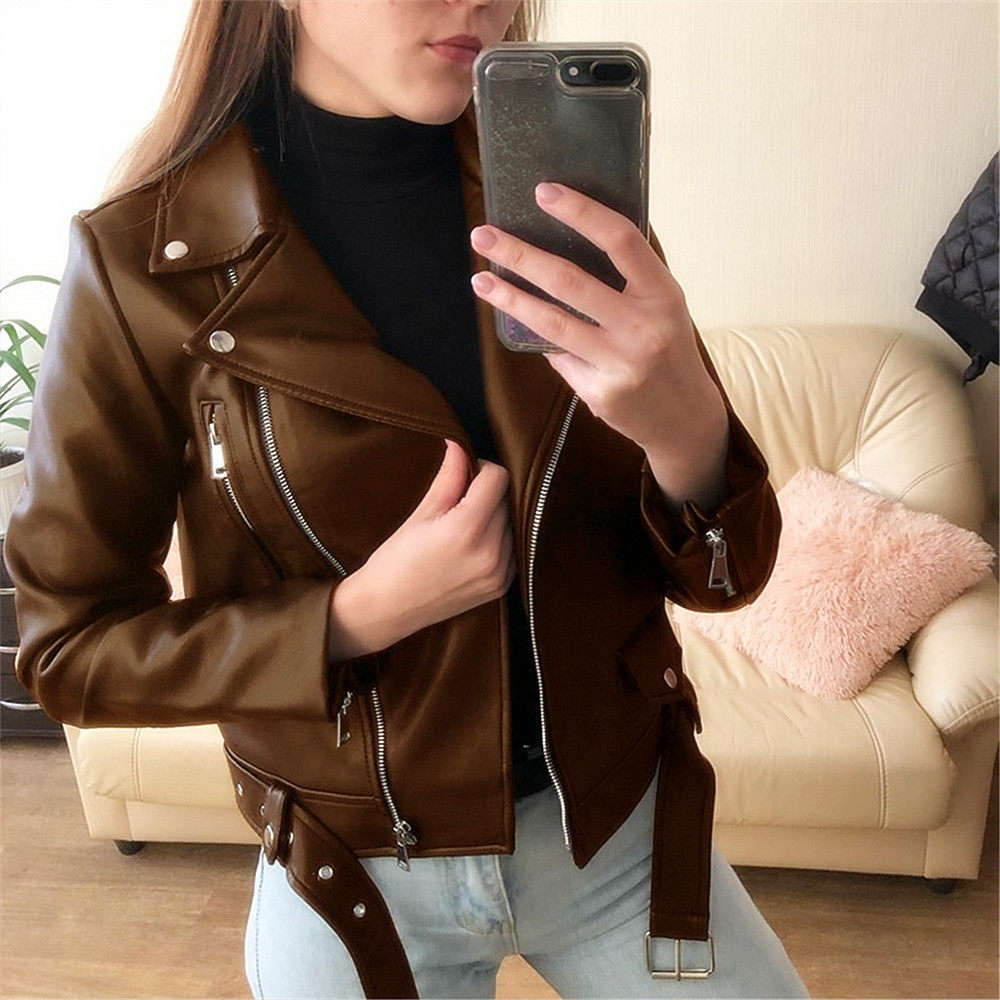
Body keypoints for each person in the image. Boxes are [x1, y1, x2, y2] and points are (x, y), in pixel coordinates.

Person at [4, 1, 810, 998]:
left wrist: (689, 437)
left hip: (621, 835)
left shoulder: (561, 202)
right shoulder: (144, 265)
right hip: (352, 878)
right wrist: (350, 618)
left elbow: (730, 578)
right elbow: (70, 651)